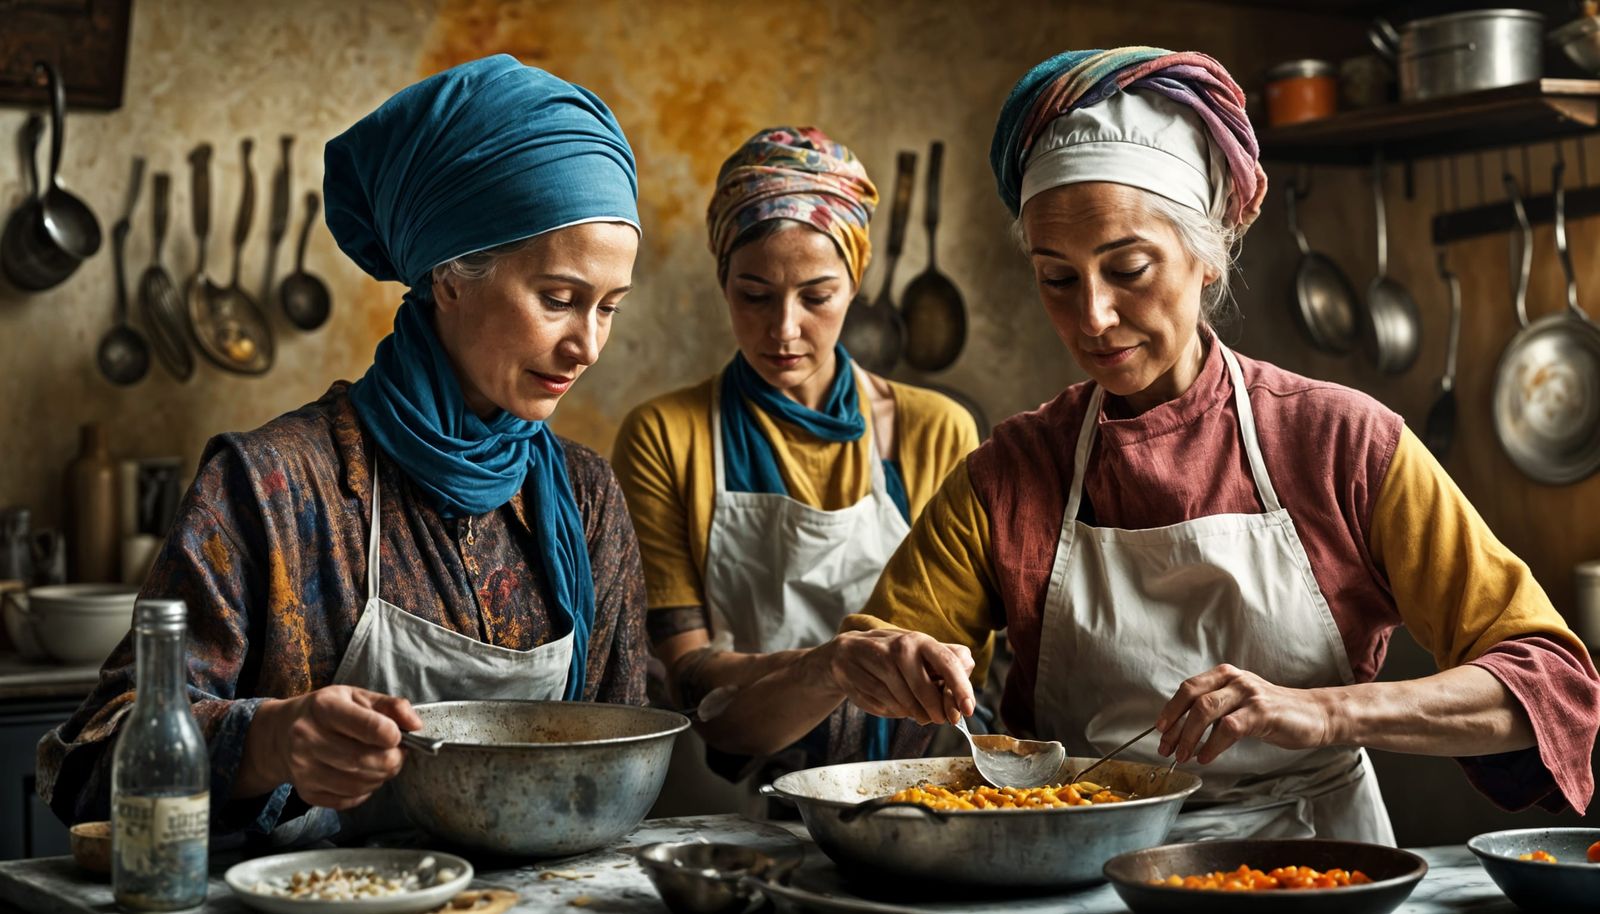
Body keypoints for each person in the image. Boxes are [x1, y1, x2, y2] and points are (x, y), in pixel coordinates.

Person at [815, 48, 1596, 842]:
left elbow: (1548, 684)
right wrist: (884, 667)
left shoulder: (1342, 445)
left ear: (1209, 253)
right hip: (1075, 864)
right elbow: (870, 669)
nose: (1092, 318)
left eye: (1128, 268)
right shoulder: (1010, 477)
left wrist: (1325, 712)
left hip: (1312, 867)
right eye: (1058, 279)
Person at [39, 54, 649, 844]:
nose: (588, 346)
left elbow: (622, 747)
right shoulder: (270, 487)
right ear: (451, 277)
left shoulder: (583, 497)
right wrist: (268, 742)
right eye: (560, 299)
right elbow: (89, 769)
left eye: (610, 308)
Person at [611, 127, 979, 798]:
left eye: (816, 296)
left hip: (925, 790)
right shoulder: (666, 436)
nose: (783, 329)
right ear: (724, 281)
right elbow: (688, 676)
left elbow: (959, 653)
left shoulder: (937, 431)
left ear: (855, 282)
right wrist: (826, 667)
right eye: (755, 295)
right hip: (737, 799)